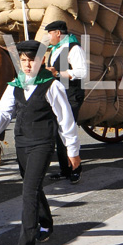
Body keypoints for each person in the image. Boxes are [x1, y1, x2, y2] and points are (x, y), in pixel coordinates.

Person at [0, 40, 82, 245]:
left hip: (43, 143)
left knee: (29, 192)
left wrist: (73, 150)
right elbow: (2, 114)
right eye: (23, 60)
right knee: (33, 186)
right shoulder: (14, 85)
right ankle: (46, 223)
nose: (28, 64)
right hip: (22, 143)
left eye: (32, 60)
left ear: (42, 60)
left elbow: (66, 120)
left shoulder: (52, 86)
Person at [43, 20, 87, 183]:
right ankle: (65, 169)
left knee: (66, 130)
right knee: (57, 132)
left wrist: (57, 73)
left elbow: (82, 72)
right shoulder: (54, 50)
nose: (49, 37)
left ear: (58, 33)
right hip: (57, 95)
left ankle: (76, 168)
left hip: (71, 95)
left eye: (50, 33)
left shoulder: (74, 49)